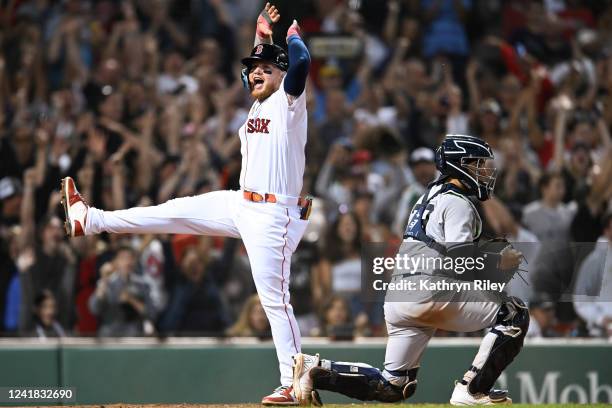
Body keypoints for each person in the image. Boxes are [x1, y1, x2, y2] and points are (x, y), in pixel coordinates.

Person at [61, 3, 311, 405]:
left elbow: (300, 64)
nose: (256, 73)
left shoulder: (289, 103)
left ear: (280, 75)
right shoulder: (259, 104)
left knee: (275, 301)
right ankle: (89, 220)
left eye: (265, 69)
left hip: (273, 215)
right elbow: (261, 67)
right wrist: (262, 37)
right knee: (172, 209)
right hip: (241, 204)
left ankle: (294, 382)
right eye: (253, 69)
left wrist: (292, 35)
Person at [293, 135, 528, 405]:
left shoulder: (428, 196)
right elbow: (462, 262)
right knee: (514, 313)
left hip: (399, 296)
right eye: (477, 164)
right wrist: (500, 264)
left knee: (393, 386)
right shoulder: (458, 202)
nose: (485, 172)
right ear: (459, 165)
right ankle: (473, 390)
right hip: (430, 290)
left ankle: (315, 371)